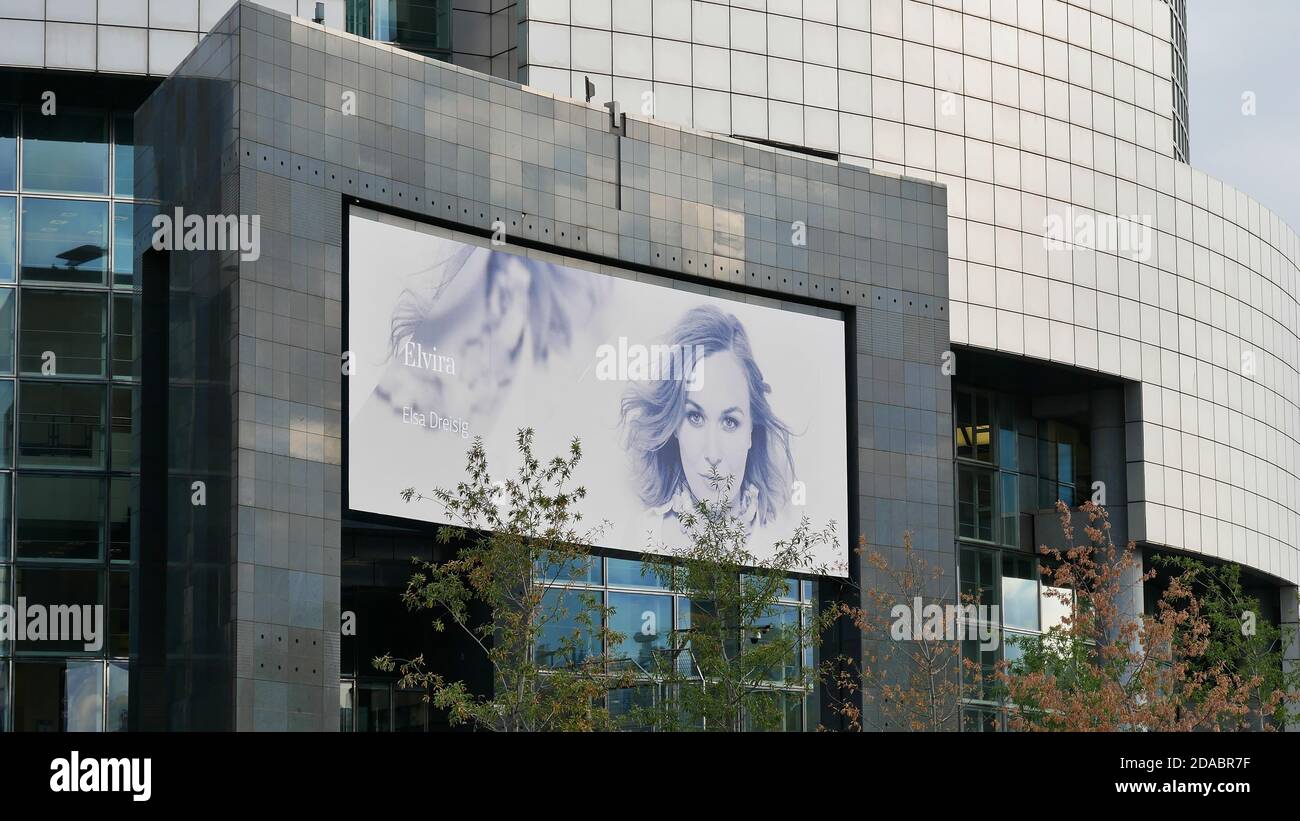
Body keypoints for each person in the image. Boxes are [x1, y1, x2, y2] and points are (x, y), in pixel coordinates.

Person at [620, 304, 796, 549]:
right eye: (695, 417)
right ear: (674, 428)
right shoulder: (640, 538)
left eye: (730, 422)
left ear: (751, 433)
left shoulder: (787, 545)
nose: (713, 453)